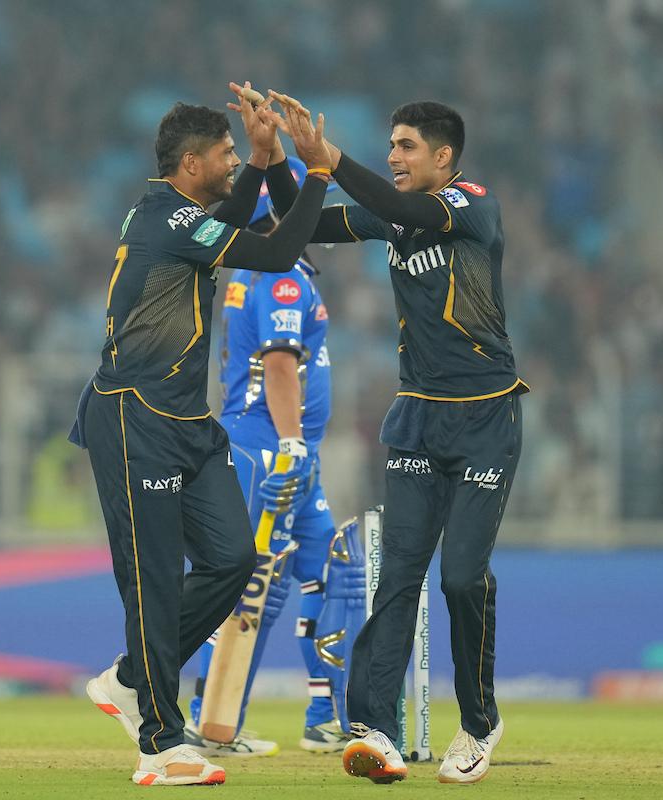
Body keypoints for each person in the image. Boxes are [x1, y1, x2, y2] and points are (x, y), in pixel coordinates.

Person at [68, 88, 334, 786]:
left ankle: (130, 680)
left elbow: (236, 216)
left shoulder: (173, 212)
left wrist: (259, 157)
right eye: (222, 155)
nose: (230, 163)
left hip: (186, 422)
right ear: (191, 164)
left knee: (230, 559)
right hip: (135, 418)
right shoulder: (169, 219)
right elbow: (276, 250)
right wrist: (318, 174)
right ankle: (159, 742)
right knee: (153, 582)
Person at [265, 93, 529, 785]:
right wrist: (279, 163)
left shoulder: (472, 203)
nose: (394, 155)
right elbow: (303, 226)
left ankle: (478, 723)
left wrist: (332, 157)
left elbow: (411, 210)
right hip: (416, 418)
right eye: (391, 146)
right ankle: (374, 728)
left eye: (407, 146)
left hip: (484, 416)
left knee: (462, 578)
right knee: (397, 580)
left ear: (444, 156)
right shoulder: (394, 214)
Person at [184, 156, 352, 757]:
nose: (320, 220)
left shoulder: (269, 273)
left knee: (335, 574)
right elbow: (280, 365)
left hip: (289, 452)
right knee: (253, 586)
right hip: (267, 449)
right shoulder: (283, 280)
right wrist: (290, 446)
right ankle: (211, 722)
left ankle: (327, 715)